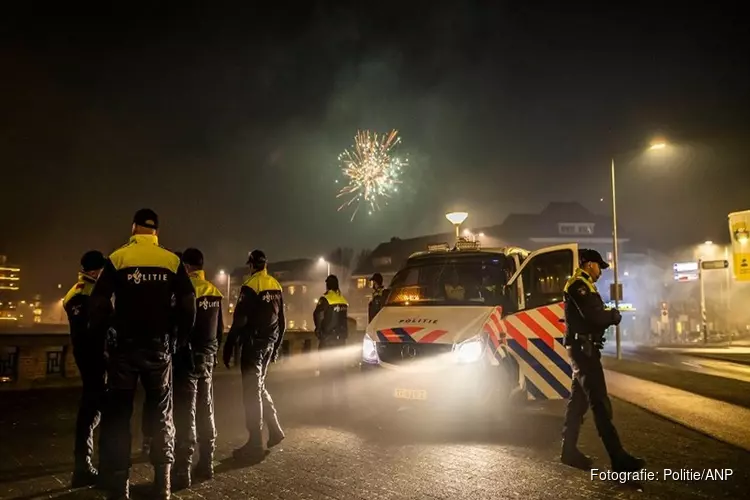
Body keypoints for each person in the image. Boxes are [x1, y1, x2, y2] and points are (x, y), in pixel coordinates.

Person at [90, 209, 196, 500]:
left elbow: (98, 301)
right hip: (158, 349)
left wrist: (108, 329)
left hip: (124, 349)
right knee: (162, 413)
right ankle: (162, 485)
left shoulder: (119, 257)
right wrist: (179, 337)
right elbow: (189, 303)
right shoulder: (171, 261)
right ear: (157, 231)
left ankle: (119, 486)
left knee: (119, 415)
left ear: (134, 228)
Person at [560, 248, 645, 472]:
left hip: (584, 348)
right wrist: (613, 316)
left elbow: (593, 313)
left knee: (578, 402)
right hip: (583, 350)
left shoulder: (585, 285)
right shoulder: (579, 285)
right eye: (599, 267)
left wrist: (606, 314)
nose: (601, 272)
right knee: (599, 403)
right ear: (589, 264)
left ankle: (568, 451)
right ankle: (618, 458)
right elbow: (594, 315)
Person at [222, 249, 285, 463]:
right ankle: (275, 429)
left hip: (253, 346)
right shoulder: (275, 285)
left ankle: (255, 441)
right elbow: (282, 321)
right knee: (258, 386)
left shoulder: (250, 286)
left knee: (251, 392)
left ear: (251, 265)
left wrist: (229, 345)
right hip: (269, 343)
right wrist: (276, 346)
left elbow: (240, 320)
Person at [172, 248, 223, 489]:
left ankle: (182, 470)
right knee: (206, 409)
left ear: (186, 266)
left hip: (187, 359)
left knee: (186, 413)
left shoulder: (185, 291)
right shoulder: (214, 291)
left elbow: (177, 326)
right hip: (207, 359)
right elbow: (220, 329)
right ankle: (207, 463)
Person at [63, 250, 108, 488]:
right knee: (95, 411)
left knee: (90, 410)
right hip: (97, 357)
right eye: (102, 270)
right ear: (93, 271)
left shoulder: (72, 292)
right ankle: (86, 467)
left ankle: (84, 464)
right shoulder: (94, 292)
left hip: (83, 355)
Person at [142, 250, 183, 459]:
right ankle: (164, 450)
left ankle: (151, 441)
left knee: (155, 398)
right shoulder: (179, 291)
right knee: (163, 400)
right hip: (166, 349)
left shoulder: (163, 291)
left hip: (156, 346)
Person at [313, 275, 349, 410]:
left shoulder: (325, 299)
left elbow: (317, 315)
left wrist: (319, 331)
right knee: (340, 372)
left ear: (327, 285)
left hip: (328, 341)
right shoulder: (343, 300)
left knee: (326, 373)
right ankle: (343, 403)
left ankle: (327, 405)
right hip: (341, 342)